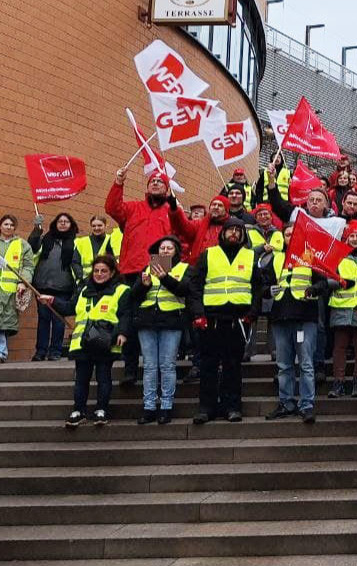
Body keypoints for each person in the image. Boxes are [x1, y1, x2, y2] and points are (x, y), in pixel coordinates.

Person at [106, 168, 179, 385]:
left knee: (154, 319)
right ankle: (130, 369)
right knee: (129, 319)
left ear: (167, 189)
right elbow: (112, 208)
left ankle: (154, 368)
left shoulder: (171, 210)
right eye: (152, 181)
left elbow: (181, 232)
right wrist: (118, 182)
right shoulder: (134, 207)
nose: (155, 183)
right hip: (131, 268)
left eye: (160, 181)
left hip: (158, 267)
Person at [187, 218, 263, 424]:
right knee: (208, 366)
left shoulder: (250, 256)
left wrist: (252, 315)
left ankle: (233, 407)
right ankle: (206, 408)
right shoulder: (208, 255)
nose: (234, 234)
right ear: (222, 233)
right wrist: (198, 314)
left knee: (233, 367)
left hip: (237, 321)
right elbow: (195, 287)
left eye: (238, 231)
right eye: (230, 230)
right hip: (210, 320)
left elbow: (258, 288)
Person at [45, 254, 130, 428]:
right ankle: (78, 410)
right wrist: (52, 301)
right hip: (82, 343)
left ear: (112, 272)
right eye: (96, 270)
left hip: (106, 342)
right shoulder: (84, 290)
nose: (99, 274)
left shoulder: (122, 290)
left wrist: (122, 333)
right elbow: (70, 308)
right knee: (81, 379)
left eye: (104, 271)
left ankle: (101, 409)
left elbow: (125, 315)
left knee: (103, 378)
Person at [265, 222, 327, 423]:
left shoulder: (310, 256)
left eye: (294, 234)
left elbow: (323, 282)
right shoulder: (276, 258)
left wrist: (313, 289)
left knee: (306, 363)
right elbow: (263, 284)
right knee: (284, 364)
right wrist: (268, 291)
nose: (290, 237)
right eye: (287, 234)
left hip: (303, 317)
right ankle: (286, 402)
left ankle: (306, 405)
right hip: (281, 316)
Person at [127, 236, 189, 424]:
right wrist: (142, 285)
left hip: (171, 321)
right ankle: (149, 406)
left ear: (176, 251)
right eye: (162, 248)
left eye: (169, 248)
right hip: (148, 322)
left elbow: (184, 290)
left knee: (167, 365)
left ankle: (166, 406)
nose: (165, 251)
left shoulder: (183, 268)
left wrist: (165, 277)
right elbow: (133, 296)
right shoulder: (148, 269)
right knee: (149, 366)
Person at [0, 214, 35, 364]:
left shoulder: (23, 245)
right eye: (6, 224)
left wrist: (24, 282)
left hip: (10, 289)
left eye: (11, 225)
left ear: (14, 228)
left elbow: (28, 267)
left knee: (2, 320)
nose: (8, 227)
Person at [328, 221, 357, 399]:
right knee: (339, 347)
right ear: (346, 238)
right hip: (340, 307)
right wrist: (339, 282)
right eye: (352, 236)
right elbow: (327, 277)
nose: (355, 239)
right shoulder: (337, 254)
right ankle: (338, 383)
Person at [28, 213, 80, 361]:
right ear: (55, 223)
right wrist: (37, 229)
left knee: (58, 320)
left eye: (66, 221)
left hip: (64, 287)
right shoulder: (46, 239)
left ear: (71, 224)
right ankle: (40, 351)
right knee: (43, 319)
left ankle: (55, 351)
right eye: (60, 221)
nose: (63, 223)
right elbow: (31, 247)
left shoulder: (76, 243)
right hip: (42, 285)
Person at [74, 216, 121, 281]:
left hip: (105, 280)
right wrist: (82, 277)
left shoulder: (111, 241)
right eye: (94, 226)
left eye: (99, 225)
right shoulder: (81, 242)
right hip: (85, 281)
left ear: (106, 225)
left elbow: (114, 262)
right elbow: (75, 262)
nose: (96, 228)